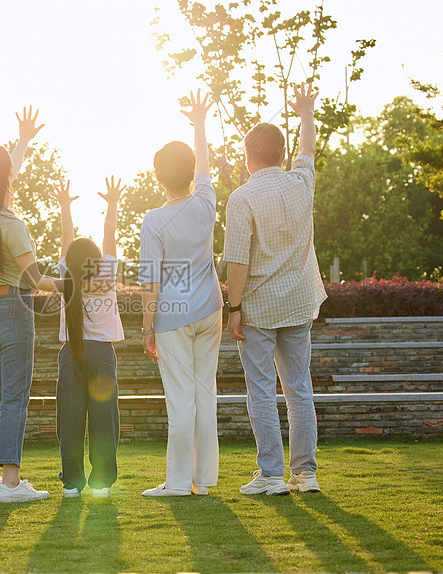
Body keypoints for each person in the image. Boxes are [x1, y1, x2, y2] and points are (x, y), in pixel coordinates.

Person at [223, 83, 327, 496]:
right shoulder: (302, 182)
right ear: (281, 155)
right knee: (299, 389)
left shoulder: (242, 197)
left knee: (261, 391)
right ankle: (305, 474)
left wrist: (233, 308)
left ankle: (270, 475)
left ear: (247, 158)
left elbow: (237, 262)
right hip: (299, 303)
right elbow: (309, 150)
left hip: (259, 309)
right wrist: (305, 113)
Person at [0, 107, 64, 503]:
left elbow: (4, 177)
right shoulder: (12, 223)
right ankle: (11, 483)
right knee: (13, 397)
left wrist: (22, 141)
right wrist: (79, 282)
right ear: (5, 174)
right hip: (13, 311)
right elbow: (37, 281)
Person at [138, 91, 224, 497]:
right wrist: (200, 122)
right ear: (190, 173)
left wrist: (146, 328)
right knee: (205, 395)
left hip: (173, 317)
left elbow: (149, 280)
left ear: (158, 177)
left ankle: (176, 482)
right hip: (210, 311)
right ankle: (201, 481)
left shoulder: (153, 220)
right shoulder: (207, 201)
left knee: (181, 400)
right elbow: (203, 161)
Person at [51, 177, 125, 499]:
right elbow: (109, 235)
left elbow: (68, 239)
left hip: (71, 355)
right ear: (96, 257)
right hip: (103, 355)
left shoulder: (67, 274)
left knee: (69, 418)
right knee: (104, 419)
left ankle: (71, 484)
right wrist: (112, 204)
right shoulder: (106, 271)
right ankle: (102, 484)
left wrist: (65, 206)